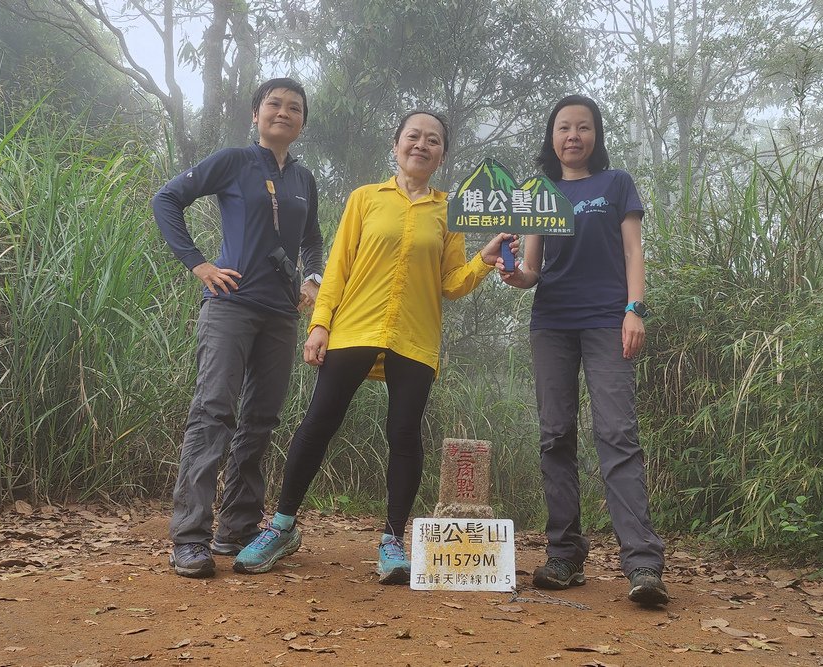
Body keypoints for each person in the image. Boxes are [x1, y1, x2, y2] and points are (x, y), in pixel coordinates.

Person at [232, 110, 516, 584]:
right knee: (318, 422)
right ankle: (280, 527)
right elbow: (338, 265)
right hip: (354, 328)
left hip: (415, 337)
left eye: (432, 140)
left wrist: (484, 262)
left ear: (442, 154)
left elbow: (450, 284)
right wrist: (320, 323)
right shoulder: (365, 198)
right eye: (413, 137)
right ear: (396, 143)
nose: (421, 146)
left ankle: (391, 541)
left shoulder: (450, 211)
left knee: (404, 433)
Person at [152, 77, 324, 578]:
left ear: (302, 122)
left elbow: (312, 236)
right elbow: (167, 200)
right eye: (274, 104)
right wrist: (199, 264)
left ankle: (238, 527)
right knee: (213, 412)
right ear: (256, 114)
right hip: (230, 304)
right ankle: (189, 538)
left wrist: (312, 279)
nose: (283, 113)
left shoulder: (304, 179)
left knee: (260, 420)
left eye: (294, 108)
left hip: (280, 315)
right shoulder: (233, 160)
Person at [501, 95, 669, 605]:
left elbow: (633, 251)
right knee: (555, 436)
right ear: (551, 138)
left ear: (596, 135)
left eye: (583, 127)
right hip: (551, 322)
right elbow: (532, 270)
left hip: (606, 321)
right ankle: (565, 555)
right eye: (563, 128)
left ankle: (642, 565)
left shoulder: (616, 184)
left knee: (617, 433)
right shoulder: (538, 192)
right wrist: (513, 275)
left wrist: (634, 308)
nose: (573, 136)